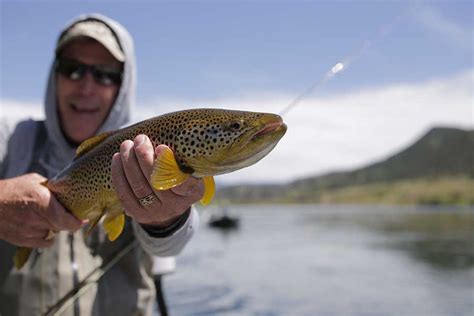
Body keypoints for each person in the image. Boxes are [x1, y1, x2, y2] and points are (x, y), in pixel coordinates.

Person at [0, 13, 203, 316]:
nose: (86, 87)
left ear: (123, 85)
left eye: (105, 74)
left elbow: (170, 247)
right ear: (54, 76)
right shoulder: (13, 139)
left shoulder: (147, 150)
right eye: (72, 69)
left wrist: (167, 220)